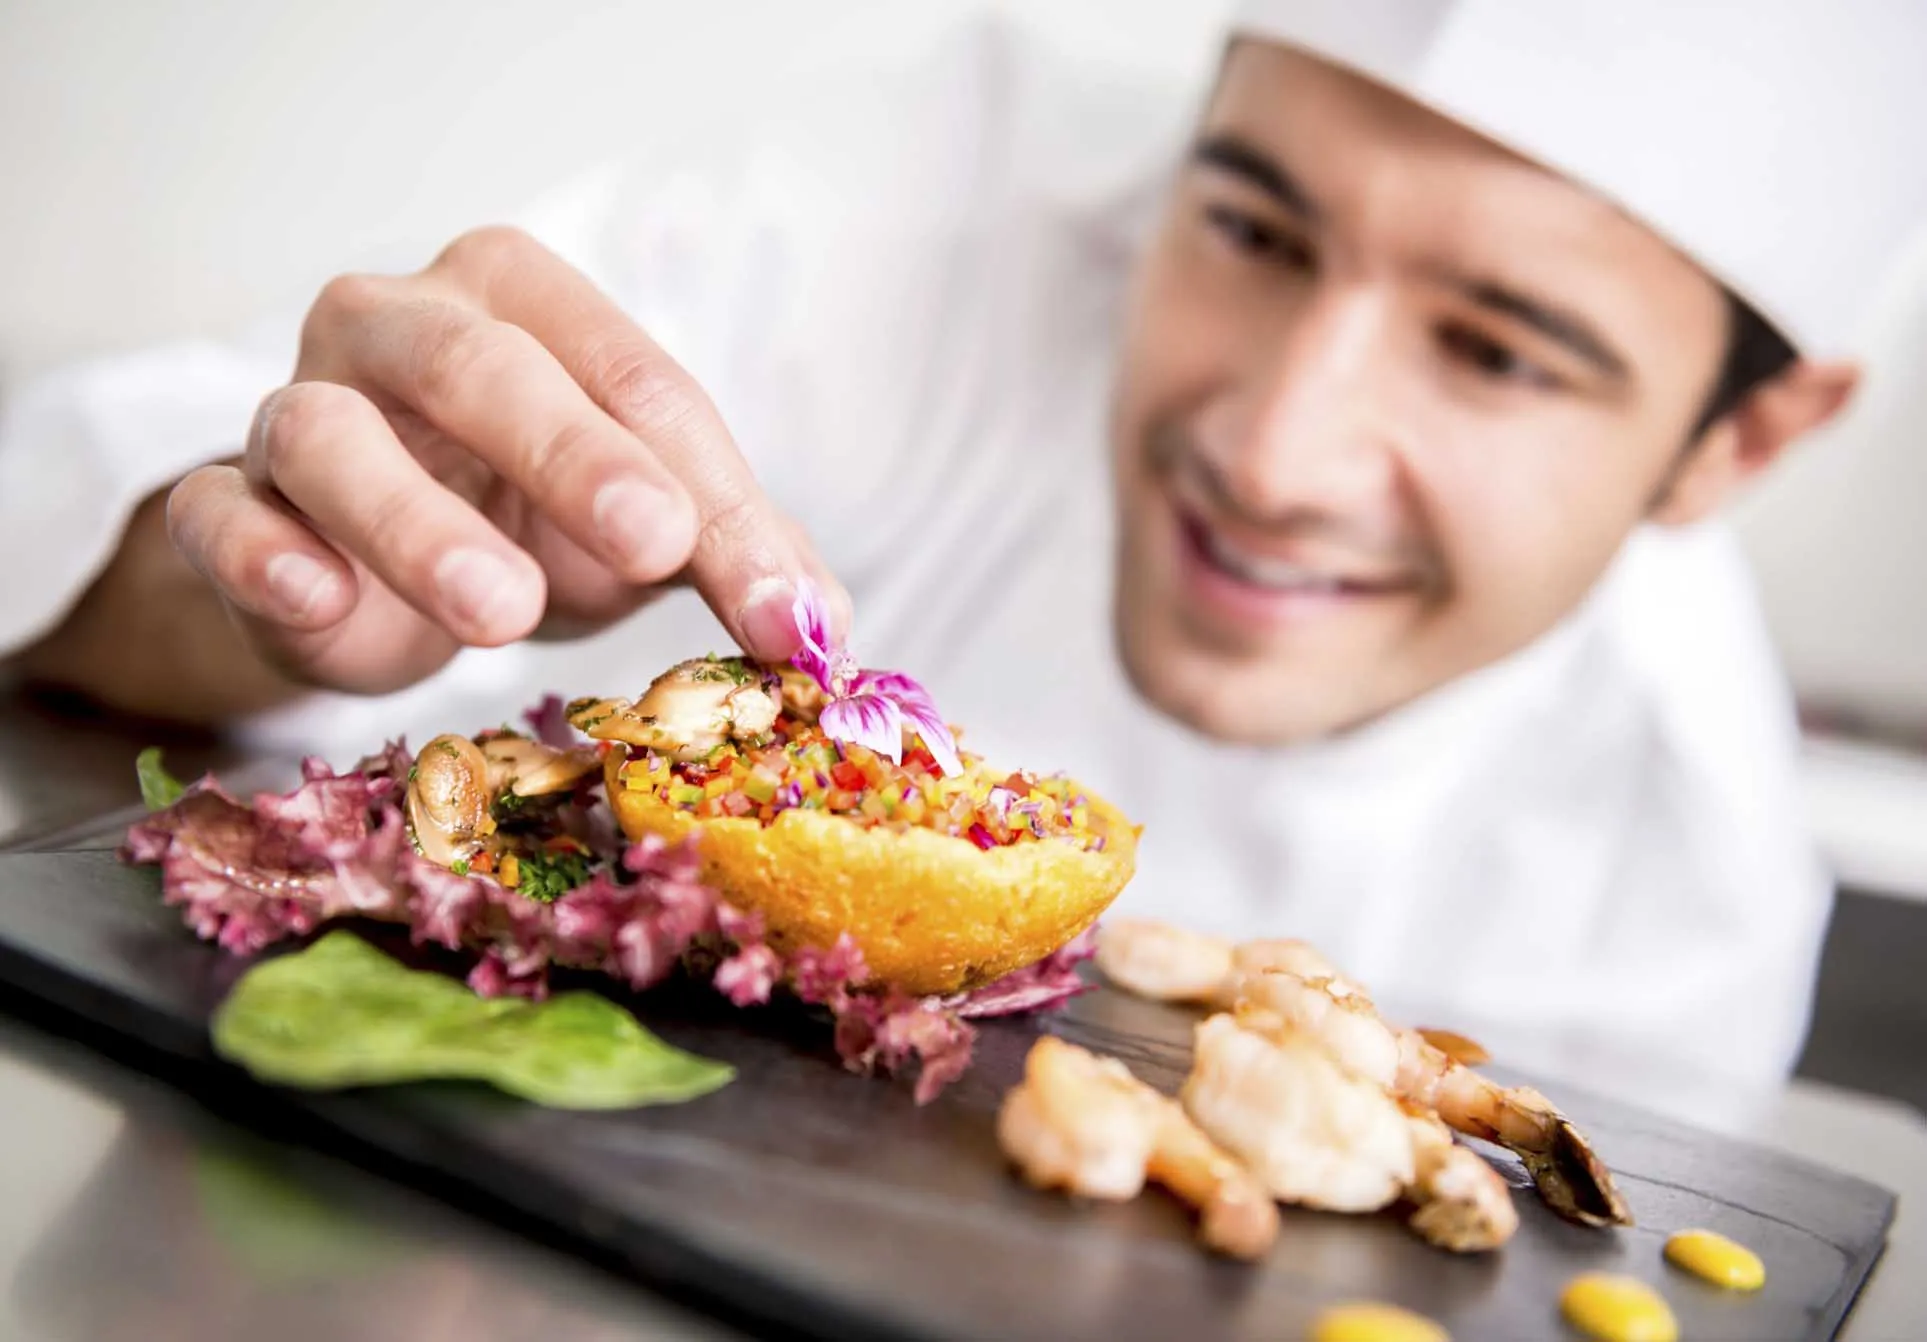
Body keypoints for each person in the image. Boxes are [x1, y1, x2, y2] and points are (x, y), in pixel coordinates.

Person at [2, 0, 1921, 1128]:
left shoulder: (1677, 899)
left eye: (1495, 352)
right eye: (1251, 229)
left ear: (1743, 438)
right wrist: (276, 588)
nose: (1272, 450)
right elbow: (69, 529)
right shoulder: (900, 233)